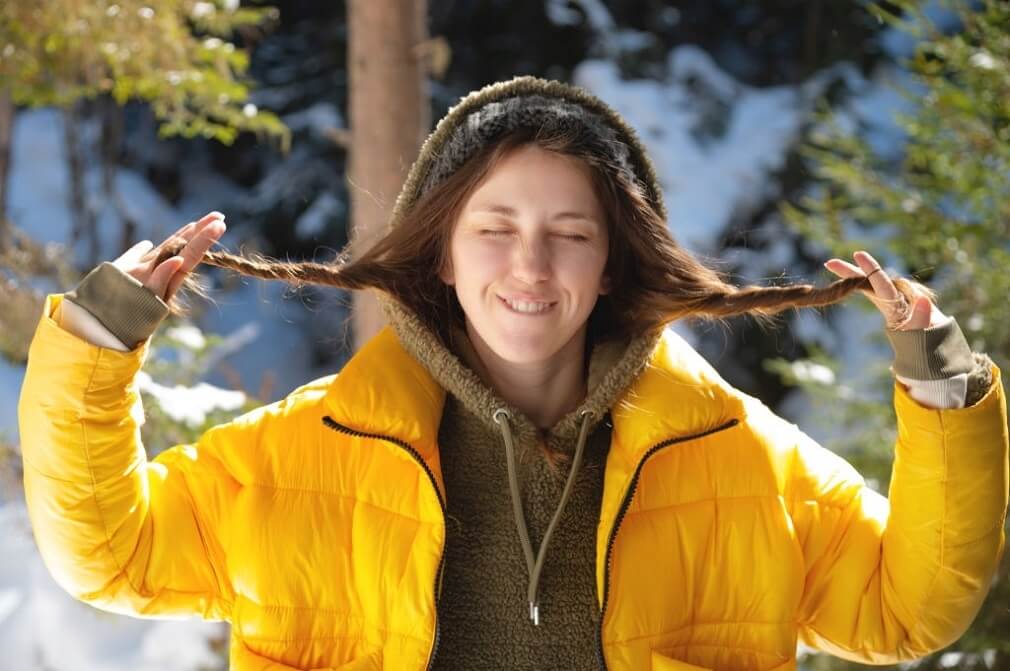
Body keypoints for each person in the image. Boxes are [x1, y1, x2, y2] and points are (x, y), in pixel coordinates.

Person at [18, 77, 1008, 671]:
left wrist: (939, 384)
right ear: (440, 255)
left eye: (568, 234)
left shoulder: (740, 460)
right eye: (493, 230)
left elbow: (903, 603)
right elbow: (110, 551)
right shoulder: (298, 454)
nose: (529, 266)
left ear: (611, 259)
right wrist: (100, 341)